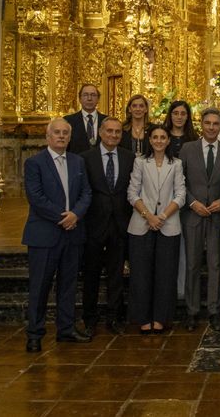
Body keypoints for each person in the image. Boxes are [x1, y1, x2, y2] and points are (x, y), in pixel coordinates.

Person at [22, 118, 92, 351]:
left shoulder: (78, 162)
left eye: (65, 133)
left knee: (68, 285)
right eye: (57, 133)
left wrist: (76, 215)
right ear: (48, 136)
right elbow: (36, 197)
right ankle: (35, 333)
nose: (61, 136)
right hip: (45, 234)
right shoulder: (35, 163)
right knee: (40, 286)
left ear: (70, 137)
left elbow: (86, 194)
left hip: (73, 234)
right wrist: (64, 217)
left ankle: (66, 329)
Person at [179, 108, 220, 331]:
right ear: (201, 124)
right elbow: (180, 180)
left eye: (215, 124)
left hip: (217, 214)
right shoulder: (188, 149)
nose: (211, 127)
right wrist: (192, 202)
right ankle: (191, 311)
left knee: (215, 264)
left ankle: (214, 310)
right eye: (208, 123)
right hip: (193, 213)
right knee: (192, 264)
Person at [127, 124, 186, 334]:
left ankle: (161, 318)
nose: (159, 141)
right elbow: (132, 193)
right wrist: (148, 216)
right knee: (141, 274)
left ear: (168, 141)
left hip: (168, 224)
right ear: (149, 140)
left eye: (163, 137)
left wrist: (161, 216)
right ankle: (143, 318)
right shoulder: (140, 162)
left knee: (166, 274)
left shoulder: (176, 164)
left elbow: (180, 194)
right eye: (155, 137)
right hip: (141, 224)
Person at [80, 118, 134, 336]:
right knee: (91, 275)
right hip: (94, 223)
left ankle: (114, 318)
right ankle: (89, 320)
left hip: (120, 224)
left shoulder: (129, 157)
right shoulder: (85, 158)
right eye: (109, 131)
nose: (113, 135)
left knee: (116, 275)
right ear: (100, 132)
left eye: (118, 132)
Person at [64, 84, 105, 154]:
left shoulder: (106, 120)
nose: (89, 98)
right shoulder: (68, 121)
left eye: (93, 95)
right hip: (77, 162)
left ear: (98, 99)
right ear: (79, 99)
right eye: (85, 95)